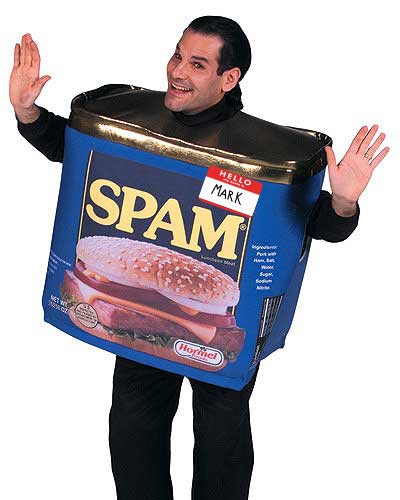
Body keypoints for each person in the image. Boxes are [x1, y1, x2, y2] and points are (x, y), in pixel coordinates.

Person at [10, 16, 389, 500]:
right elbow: (75, 150)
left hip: (219, 324)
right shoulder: (136, 122)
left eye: (197, 64)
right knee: (133, 427)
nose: (177, 71)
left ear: (229, 78)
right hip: (141, 316)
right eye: (177, 56)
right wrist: (27, 112)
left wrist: (344, 201)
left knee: (221, 436)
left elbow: (317, 226)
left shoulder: (256, 153)